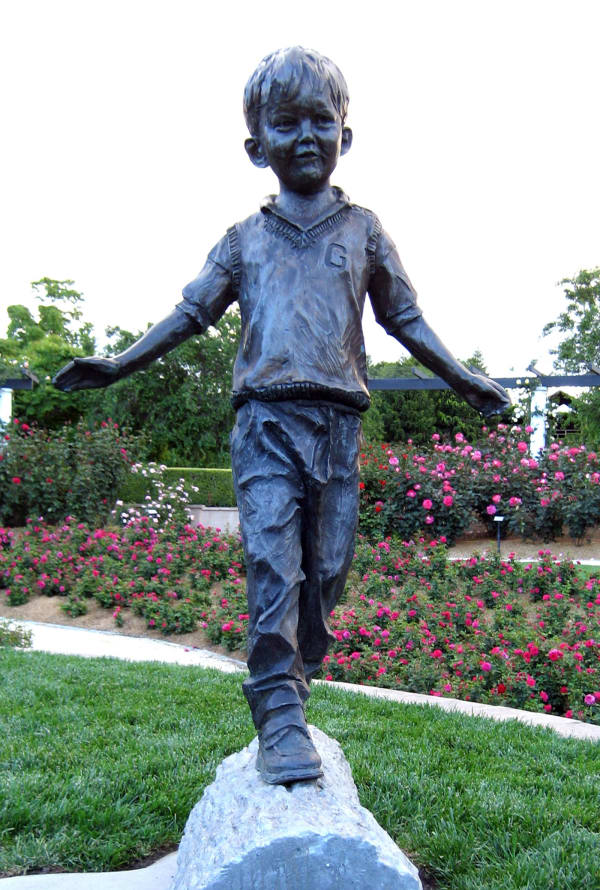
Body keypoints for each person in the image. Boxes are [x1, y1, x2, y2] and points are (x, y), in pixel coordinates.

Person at [54, 46, 510, 785]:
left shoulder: (363, 230)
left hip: (338, 430)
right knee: (274, 565)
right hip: (265, 424)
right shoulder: (244, 240)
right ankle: (276, 709)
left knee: (326, 571)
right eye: (285, 123)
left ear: (345, 136)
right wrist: (119, 364)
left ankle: (294, 684)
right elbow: (188, 313)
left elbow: (406, 318)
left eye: (320, 121)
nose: (305, 136)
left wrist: (464, 379)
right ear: (255, 145)